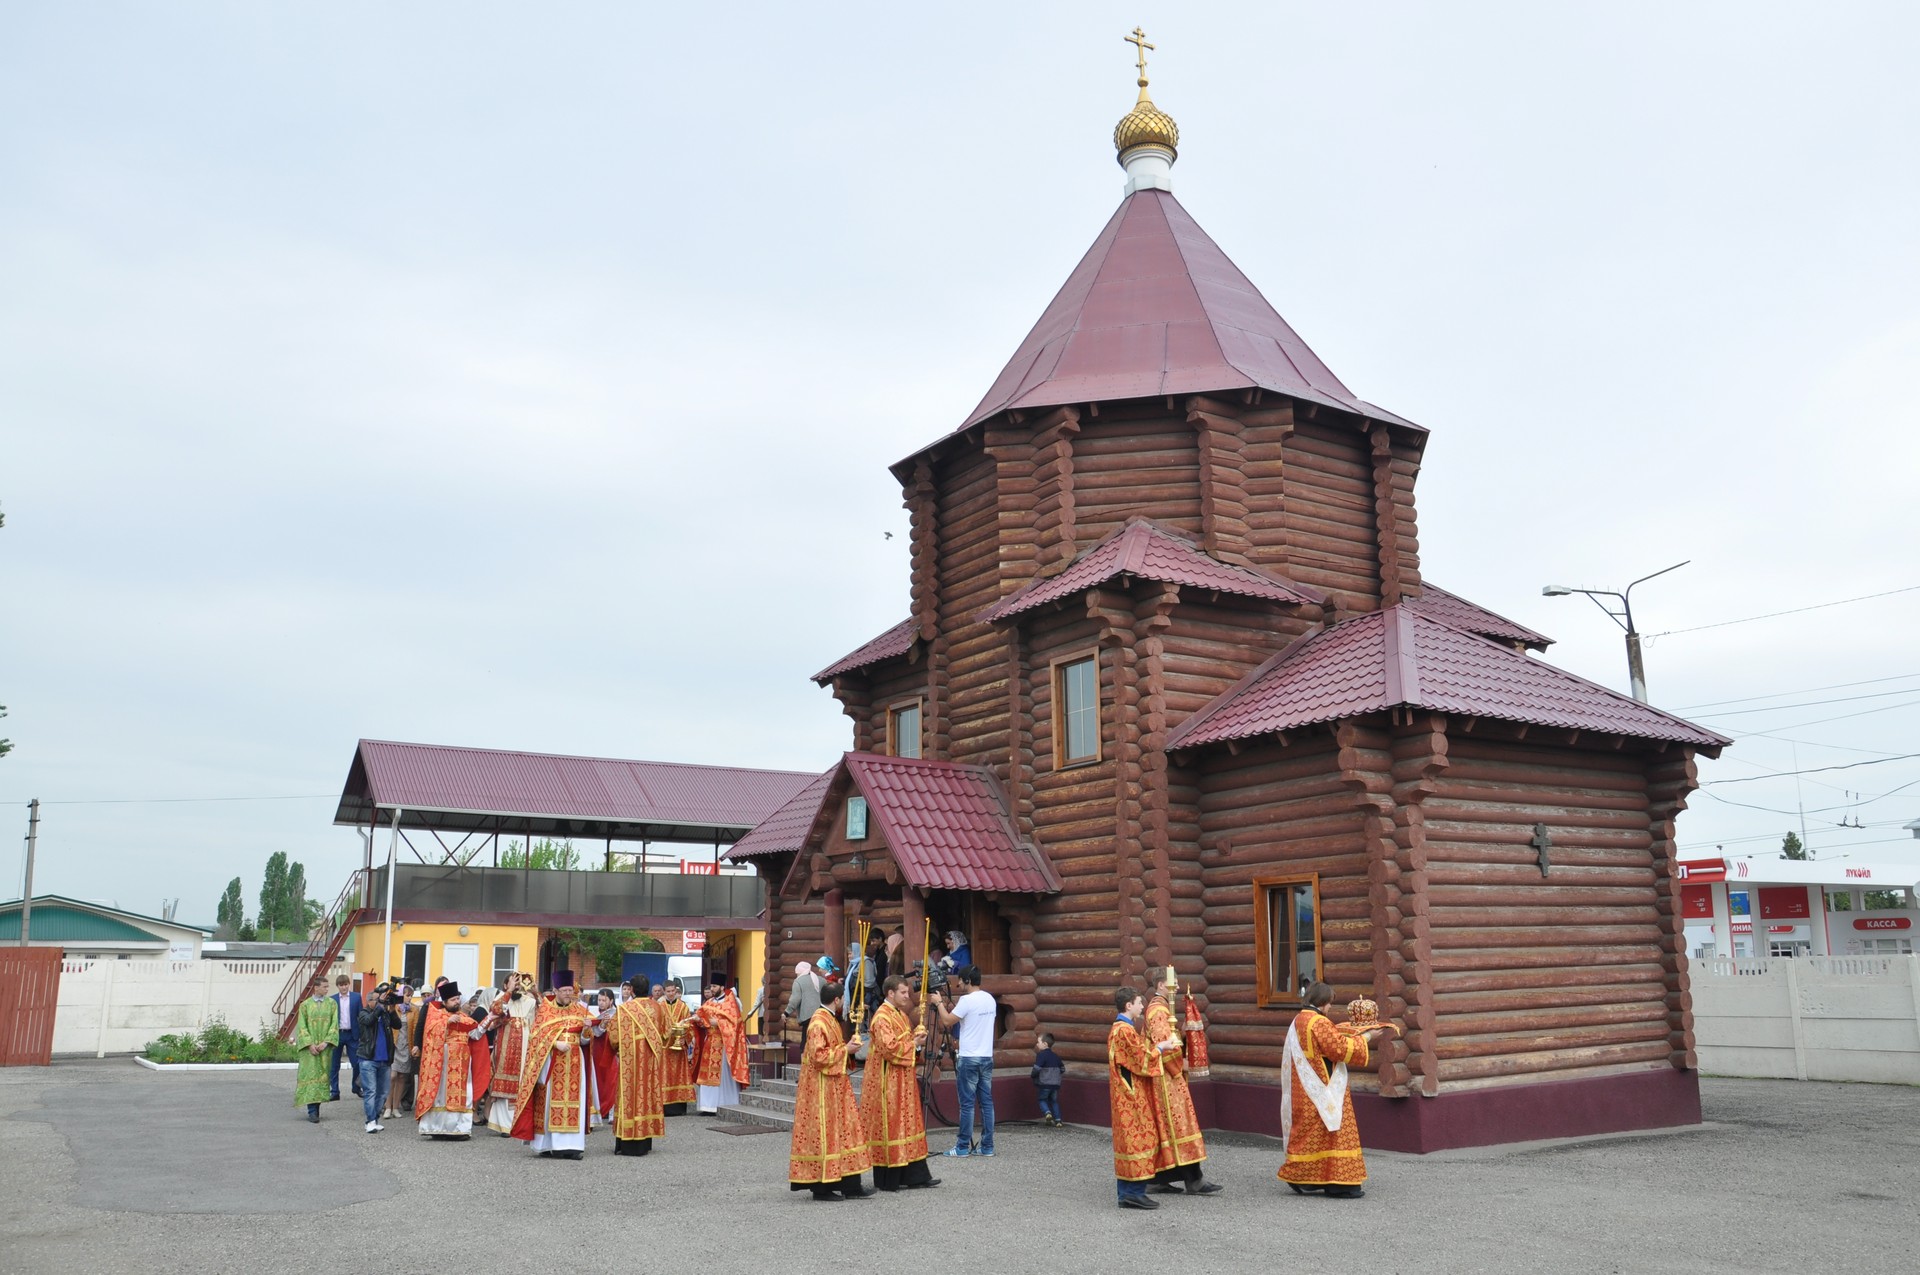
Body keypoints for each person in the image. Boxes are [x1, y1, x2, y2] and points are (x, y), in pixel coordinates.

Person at [1279, 982, 1385, 1199]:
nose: (1329, 1008)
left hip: (1304, 1088)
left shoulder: (1299, 1019)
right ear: (1323, 1001)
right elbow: (1339, 1049)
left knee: (1310, 1136)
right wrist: (1367, 1037)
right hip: (1324, 1089)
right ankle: (1340, 1184)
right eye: (1329, 1004)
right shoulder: (1318, 1022)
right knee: (1336, 1133)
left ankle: (1302, 1178)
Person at [787, 980, 872, 1200]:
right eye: (842, 999)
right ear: (836, 1000)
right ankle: (822, 1188)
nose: (844, 1002)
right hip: (821, 1090)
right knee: (825, 1134)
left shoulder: (830, 1019)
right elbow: (818, 1057)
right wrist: (846, 1049)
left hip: (836, 1086)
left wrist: (849, 1050)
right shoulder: (819, 1022)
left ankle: (850, 1185)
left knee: (845, 1132)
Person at [1143, 967, 1221, 1195]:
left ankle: (1159, 1177)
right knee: (1180, 1126)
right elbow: (1163, 1045)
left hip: (1168, 1077)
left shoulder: (1163, 1009)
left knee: (1170, 1130)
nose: (1176, 987)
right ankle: (1194, 1180)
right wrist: (1181, 1065)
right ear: (1160, 985)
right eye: (1173, 984)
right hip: (1166, 1079)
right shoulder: (1157, 1011)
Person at [862, 975, 940, 1191]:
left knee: (907, 1125)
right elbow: (889, 1049)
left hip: (903, 1079)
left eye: (907, 992)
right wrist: (913, 1043)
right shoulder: (881, 1018)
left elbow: (903, 1043)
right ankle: (891, 1179)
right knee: (893, 1126)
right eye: (903, 993)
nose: (907, 996)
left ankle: (916, 1176)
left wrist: (916, 1039)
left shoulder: (900, 1015)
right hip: (888, 1082)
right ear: (890, 993)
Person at [1108, 986, 1177, 1210]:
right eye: (1139, 1003)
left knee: (1129, 1143)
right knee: (1139, 1141)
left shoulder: (1122, 1028)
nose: (1142, 1007)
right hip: (1131, 1096)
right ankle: (1134, 1193)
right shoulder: (1124, 1030)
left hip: (1126, 1094)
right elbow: (1140, 1060)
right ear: (1128, 1006)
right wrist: (1161, 1047)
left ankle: (1126, 1193)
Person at [510, 983, 596, 1159]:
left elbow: (586, 1040)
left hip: (574, 1063)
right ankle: (549, 1144)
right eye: (564, 991)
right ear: (555, 991)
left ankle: (573, 1146)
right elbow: (536, 1036)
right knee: (549, 1101)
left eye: (570, 991)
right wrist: (555, 1043)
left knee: (575, 1101)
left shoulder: (580, 1010)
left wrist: (587, 1029)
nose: (567, 994)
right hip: (551, 1063)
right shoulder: (545, 1011)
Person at [411, 982, 491, 1138]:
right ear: (445, 1002)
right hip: (443, 1063)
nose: (457, 1002)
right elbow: (429, 1032)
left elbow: (475, 1034)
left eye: (458, 999)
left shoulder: (463, 1017)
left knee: (462, 1095)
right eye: (453, 1000)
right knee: (441, 1097)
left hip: (462, 1063)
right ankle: (436, 1129)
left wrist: (490, 1019)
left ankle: (459, 1129)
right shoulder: (436, 1015)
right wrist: (446, 1022)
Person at [935, 965, 996, 1157]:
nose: (959, 984)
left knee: (967, 1104)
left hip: (969, 1057)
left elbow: (946, 1021)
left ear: (968, 980)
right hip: (986, 1056)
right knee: (986, 1103)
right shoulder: (990, 999)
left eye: (960, 980)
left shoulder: (966, 1000)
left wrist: (938, 1003)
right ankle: (987, 1147)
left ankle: (962, 1147)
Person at [607, 974, 667, 1156]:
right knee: (647, 1096)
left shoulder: (625, 1009)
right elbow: (667, 1032)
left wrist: (619, 1049)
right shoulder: (658, 1008)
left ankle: (627, 1142)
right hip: (650, 1061)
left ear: (631, 990)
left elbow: (614, 1037)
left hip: (629, 1062)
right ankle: (645, 1140)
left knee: (630, 1097)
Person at [485, 973, 538, 1134]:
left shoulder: (530, 1001)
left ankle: (518, 1123)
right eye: (513, 983)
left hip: (524, 1049)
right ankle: (503, 1125)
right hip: (505, 1049)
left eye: (518, 984)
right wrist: (508, 992)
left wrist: (537, 992)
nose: (517, 987)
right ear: (506, 985)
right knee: (504, 1087)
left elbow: (541, 1018)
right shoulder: (501, 998)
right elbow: (495, 1010)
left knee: (522, 1084)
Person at [691, 981, 749, 1114]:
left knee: (722, 1076)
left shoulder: (730, 1003)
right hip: (709, 1042)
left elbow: (736, 1024)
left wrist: (718, 1023)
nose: (712, 989)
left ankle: (723, 1104)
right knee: (706, 1075)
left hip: (723, 1044)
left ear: (722, 987)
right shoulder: (709, 1002)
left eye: (714, 986)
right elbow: (702, 1018)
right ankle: (707, 1106)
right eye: (711, 986)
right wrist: (698, 1020)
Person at [354, 983, 403, 1133]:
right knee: (371, 1091)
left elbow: (398, 1025)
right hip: (368, 1059)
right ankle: (369, 1121)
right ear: (370, 1001)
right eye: (377, 1000)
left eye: (380, 1000)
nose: (379, 1002)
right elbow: (369, 1021)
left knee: (383, 1092)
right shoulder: (363, 1013)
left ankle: (374, 1119)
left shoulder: (385, 1013)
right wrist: (380, 1007)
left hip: (384, 1060)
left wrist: (392, 1010)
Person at [293, 975, 337, 1123]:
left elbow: (334, 1024)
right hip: (309, 1050)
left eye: (327, 986)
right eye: (324, 987)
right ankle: (312, 1111)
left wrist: (326, 1042)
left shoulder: (332, 1004)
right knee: (311, 1077)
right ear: (316, 987)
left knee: (322, 1077)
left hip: (324, 1048)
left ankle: (317, 1109)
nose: (327, 989)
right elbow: (302, 1026)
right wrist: (309, 1044)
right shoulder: (305, 1005)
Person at [657, 979, 695, 1115]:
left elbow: (689, 1025)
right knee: (665, 1075)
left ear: (676, 990)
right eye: (668, 991)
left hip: (679, 1048)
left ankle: (679, 1106)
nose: (671, 994)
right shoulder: (659, 1006)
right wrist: (668, 1032)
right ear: (664, 991)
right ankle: (665, 1106)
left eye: (673, 991)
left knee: (679, 1074)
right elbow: (656, 1026)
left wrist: (683, 1036)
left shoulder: (683, 1007)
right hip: (665, 1047)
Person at [588, 988, 619, 1128]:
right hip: (597, 1050)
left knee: (612, 1080)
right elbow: (595, 1033)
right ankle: (600, 1110)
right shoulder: (594, 1013)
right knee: (599, 1081)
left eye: (604, 1000)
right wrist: (601, 1025)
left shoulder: (617, 1014)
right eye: (599, 1000)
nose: (601, 1003)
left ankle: (613, 1111)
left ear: (611, 1001)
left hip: (611, 1049)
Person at [329, 974, 362, 1103]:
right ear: (338, 986)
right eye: (341, 985)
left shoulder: (356, 997)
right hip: (337, 1034)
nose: (344, 987)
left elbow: (361, 1015)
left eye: (346, 984)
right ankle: (335, 1091)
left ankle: (356, 1087)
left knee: (357, 1063)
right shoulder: (332, 1000)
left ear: (349, 984)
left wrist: (361, 1034)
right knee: (334, 1064)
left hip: (352, 1034)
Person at [387, 989, 416, 1119]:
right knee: (392, 1076)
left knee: (402, 1077)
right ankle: (388, 1107)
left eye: (411, 996)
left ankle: (396, 1107)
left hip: (406, 1046)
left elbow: (415, 1028)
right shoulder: (393, 1007)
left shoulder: (414, 1010)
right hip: (394, 1045)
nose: (409, 998)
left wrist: (415, 1047)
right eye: (407, 995)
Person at [1031, 1032, 1065, 1127]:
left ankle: (1047, 1113)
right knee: (1054, 1101)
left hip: (1044, 1083)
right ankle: (1058, 1120)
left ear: (1045, 1044)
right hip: (1055, 1085)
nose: (1037, 1044)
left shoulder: (1041, 1055)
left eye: (1038, 1042)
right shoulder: (1056, 1057)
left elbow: (1037, 1068)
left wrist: (1033, 1075)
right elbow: (1063, 1069)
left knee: (1042, 1099)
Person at [784, 961, 822, 1049]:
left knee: (805, 1043)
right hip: (821, 1015)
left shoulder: (798, 981)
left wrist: (786, 1013)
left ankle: (804, 1062)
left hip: (808, 1017)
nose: (796, 976)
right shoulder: (821, 980)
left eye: (797, 973)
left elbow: (795, 999)